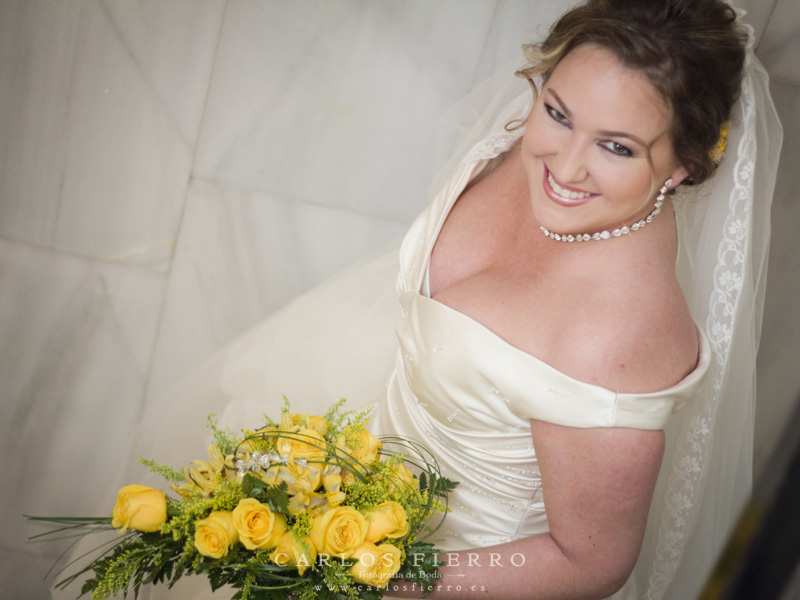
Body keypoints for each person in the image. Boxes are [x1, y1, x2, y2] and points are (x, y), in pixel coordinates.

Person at [52, 1, 781, 599]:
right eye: (558, 112)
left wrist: (387, 575)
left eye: (617, 147)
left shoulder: (615, 334)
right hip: (358, 456)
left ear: (683, 167)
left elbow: (589, 561)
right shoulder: (514, 146)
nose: (564, 164)